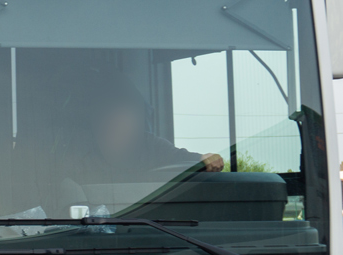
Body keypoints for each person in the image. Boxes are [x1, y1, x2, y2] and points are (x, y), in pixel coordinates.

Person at [63, 71, 224, 184]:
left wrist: (206, 159)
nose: (118, 125)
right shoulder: (80, 152)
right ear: (96, 121)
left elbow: (183, 158)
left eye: (124, 116)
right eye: (110, 118)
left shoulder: (151, 145)